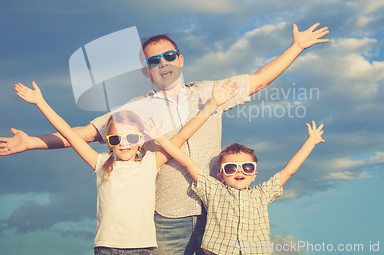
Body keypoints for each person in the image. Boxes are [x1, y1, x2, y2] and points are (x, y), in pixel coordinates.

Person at [0, 23, 329, 255]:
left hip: (219, 213)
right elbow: (87, 134)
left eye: (169, 56)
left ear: (180, 59)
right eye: (154, 61)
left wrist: (296, 47)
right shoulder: (134, 110)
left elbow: (257, 80)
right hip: (168, 217)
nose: (163, 63)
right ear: (146, 71)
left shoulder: (211, 92)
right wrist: (31, 141)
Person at [14, 79, 238, 255]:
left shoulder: (150, 163)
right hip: (105, 247)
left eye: (130, 137)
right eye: (115, 139)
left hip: (143, 248)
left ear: (141, 140)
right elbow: (69, 134)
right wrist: (40, 103)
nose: (123, 143)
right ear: (109, 143)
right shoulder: (101, 163)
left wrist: (212, 105)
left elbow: (184, 134)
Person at [148, 119, 325, 255]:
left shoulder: (262, 194)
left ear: (254, 174)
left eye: (247, 167)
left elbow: (288, 171)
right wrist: (162, 139)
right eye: (231, 168)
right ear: (221, 176)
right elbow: (187, 162)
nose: (239, 171)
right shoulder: (213, 190)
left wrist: (311, 142)